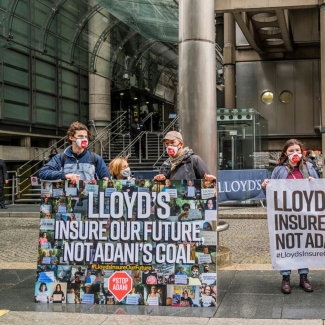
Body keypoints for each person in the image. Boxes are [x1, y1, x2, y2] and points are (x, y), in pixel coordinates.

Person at [261, 139, 318, 294]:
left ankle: (304, 277)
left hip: (305, 215)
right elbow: (272, 194)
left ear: (302, 152)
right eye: (291, 151)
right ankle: (285, 278)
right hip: (286, 215)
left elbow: (318, 192)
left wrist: (314, 183)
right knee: (286, 244)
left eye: (297, 150)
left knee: (303, 244)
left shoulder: (309, 168)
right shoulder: (279, 170)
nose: (295, 153)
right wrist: (266, 187)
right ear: (286, 153)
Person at [39, 121, 110, 183]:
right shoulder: (60, 158)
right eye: (80, 136)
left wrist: (105, 180)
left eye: (86, 136)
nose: (84, 139)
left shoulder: (95, 158)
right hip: (68, 197)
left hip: (89, 197)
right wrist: (65, 175)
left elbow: (106, 179)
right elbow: (43, 173)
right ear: (71, 137)